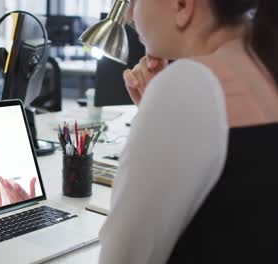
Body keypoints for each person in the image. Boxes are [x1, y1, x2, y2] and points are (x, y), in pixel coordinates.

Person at [99, 0, 278, 263]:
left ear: (182, 6)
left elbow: (122, 256)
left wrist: (163, 106)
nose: (128, 14)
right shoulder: (264, 66)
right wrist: (155, 115)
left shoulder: (190, 83)